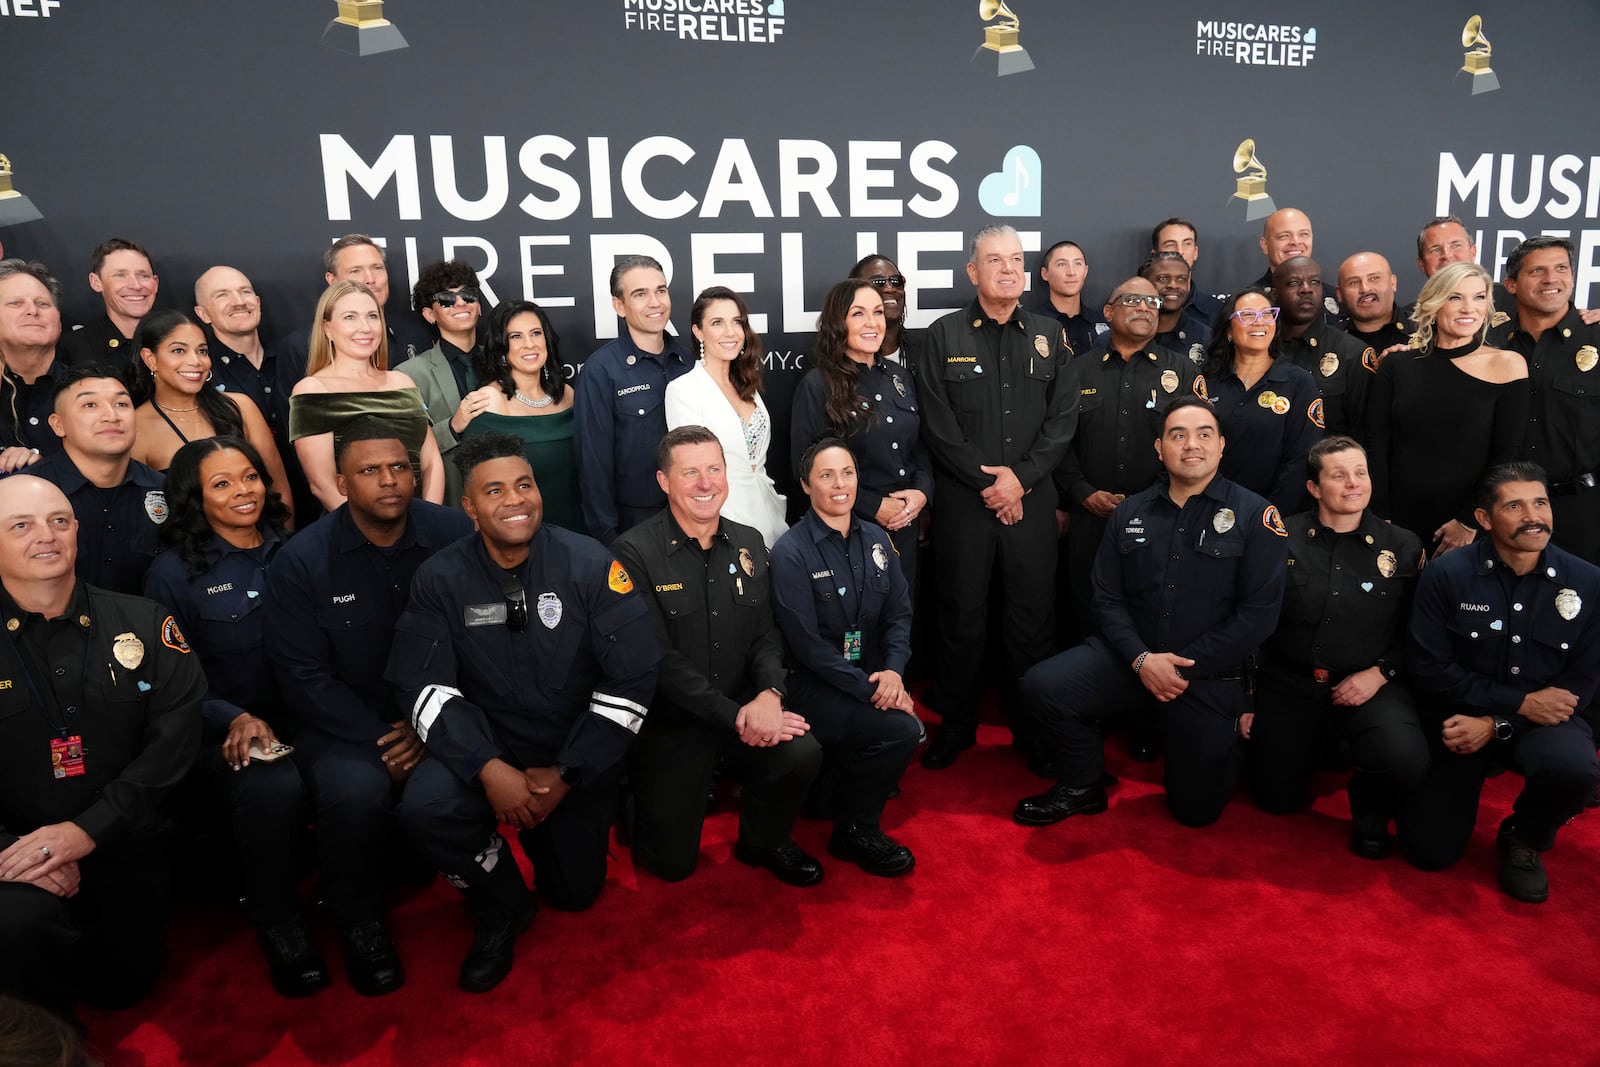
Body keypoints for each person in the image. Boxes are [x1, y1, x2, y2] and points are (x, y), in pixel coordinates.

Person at [389, 433, 662, 993]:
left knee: (575, 895)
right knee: (428, 807)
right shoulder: (439, 579)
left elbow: (634, 677)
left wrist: (566, 773)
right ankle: (501, 904)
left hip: (572, 749)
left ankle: (575, 827)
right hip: (486, 744)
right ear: (468, 506)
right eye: (494, 490)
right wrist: (489, 770)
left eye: (524, 484)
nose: (516, 499)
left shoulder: (590, 564)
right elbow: (421, 686)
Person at [265, 421, 472, 996]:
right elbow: (302, 676)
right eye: (369, 471)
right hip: (343, 723)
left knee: (469, 772)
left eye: (400, 467)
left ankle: (485, 886)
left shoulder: (452, 531)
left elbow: (478, 639)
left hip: (438, 710)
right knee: (355, 793)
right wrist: (385, 736)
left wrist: (430, 725)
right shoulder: (301, 560)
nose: (389, 481)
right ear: (340, 482)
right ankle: (358, 921)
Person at [1014, 397, 1287, 828]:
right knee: (1042, 686)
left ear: (1221, 446)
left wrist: (1181, 669)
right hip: (1131, 659)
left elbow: (1258, 615)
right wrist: (1141, 660)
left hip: (1205, 675)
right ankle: (1083, 784)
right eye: (1178, 435)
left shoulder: (1257, 517)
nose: (1191, 445)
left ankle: (1222, 742)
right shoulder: (1131, 511)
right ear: (1160, 448)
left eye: (1203, 434)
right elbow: (1106, 597)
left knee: (1195, 812)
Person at [0, 476, 203, 1021]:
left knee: (123, 986)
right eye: (21, 525)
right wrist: (20, 853)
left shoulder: (144, 620)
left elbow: (175, 742)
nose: (46, 536)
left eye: (59, 521)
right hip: (17, 856)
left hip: (124, 838)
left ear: (77, 533)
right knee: (21, 936)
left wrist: (86, 831)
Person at [142, 436, 326, 997]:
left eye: (249, 476)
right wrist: (234, 717)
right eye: (221, 484)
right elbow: (172, 683)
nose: (244, 491)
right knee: (270, 781)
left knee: (360, 763)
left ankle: (355, 894)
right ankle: (279, 921)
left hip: (307, 712)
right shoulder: (172, 575)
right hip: (219, 728)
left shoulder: (298, 548)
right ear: (194, 499)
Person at [614, 426, 823, 886]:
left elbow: (766, 633)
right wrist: (736, 717)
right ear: (664, 482)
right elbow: (658, 661)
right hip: (675, 725)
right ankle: (631, 797)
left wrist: (770, 693)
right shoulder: (634, 553)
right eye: (690, 472)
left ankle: (762, 842)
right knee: (670, 866)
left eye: (714, 469)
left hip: (742, 707)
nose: (706, 483)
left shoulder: (749, 542)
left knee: (802, 752)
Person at [913, 225, 1078, 770]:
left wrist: (1020, 480)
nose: (1007, 269)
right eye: (994, 260)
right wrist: (991, 484)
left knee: (1032, 620)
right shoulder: (942, 336)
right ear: (973, 272)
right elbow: (938, 426)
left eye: (1015, 259)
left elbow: (1062, 421)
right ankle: (956, 727)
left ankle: (1032, 729)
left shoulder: (1051, 335)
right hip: (965, 505)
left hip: (1030, 502)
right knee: (960, 618)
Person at [1402, 463, 1600, 902]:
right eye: (1515, 505)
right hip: (1459, 720)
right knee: (1429, 852)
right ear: (1485, 519)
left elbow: (1581, 685)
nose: (1534, 516)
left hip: (1540, 721)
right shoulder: (1447, 575)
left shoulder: (1588, 582)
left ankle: (1526, 835)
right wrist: (1511, 707)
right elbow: (1429, 669)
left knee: (1575, 769)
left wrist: (1499, 722)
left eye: (1541, 503)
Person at [1247, 436, 1429, 857]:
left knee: (1403, 757)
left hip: (1368, 682)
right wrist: (1247, 698)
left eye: (1360, 473)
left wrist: (1381, 673)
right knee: (1276, 801)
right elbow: (1251, 622)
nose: (1353, 484)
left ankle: (1369, 805)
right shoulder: (1280, 538)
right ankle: (1325, 746)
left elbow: (1420, 631)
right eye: (1339, 475)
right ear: (1314, 488)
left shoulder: (1403, 546)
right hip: (1290, 682)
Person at [770, 438, 921, 875]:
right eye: (826, 475)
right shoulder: (791, 553)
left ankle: (843, 803)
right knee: (901, 730)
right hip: (814, 686)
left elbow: (898, 614)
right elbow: (807, 647)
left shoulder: (876, 538)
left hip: (869, 677)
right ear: (805, 485)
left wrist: (892, 672)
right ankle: (855, 831)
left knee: (900, 726)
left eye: (848, 473)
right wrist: (876, 691)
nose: (840, 485)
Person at [1055, 276, 1200, 644]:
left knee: (1153, 613)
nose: (1143, 307)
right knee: (1084, 611)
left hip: (1162, 516)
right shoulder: (1076, 370)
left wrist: (1151, 498)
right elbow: (1057, 440)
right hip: (1089, 517)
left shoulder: (1182, 372)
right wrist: (1082, 492)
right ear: (1108, 311)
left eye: (1152, 303)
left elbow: (1194, 450)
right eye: (1133, 299)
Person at [1368, 261, 1528, 558]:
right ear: (1433, 303)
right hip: (1398, 525)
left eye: (1479, 297)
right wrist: (1381, 518)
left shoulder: (1508, 364)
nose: (1469, 308)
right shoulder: (1397, 365)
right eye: (1456, 297)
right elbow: (1376, 446)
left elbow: (1507, 457)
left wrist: (1469, 521)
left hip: (1471, 527)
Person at [790, 279, 931, 592]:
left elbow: (920, 447)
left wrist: (921, 494)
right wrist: (873, 506)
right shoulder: (817, 385)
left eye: (878, 313)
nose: (872, 323)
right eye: (859, 314)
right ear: (838, 322)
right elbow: (805, 470)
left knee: (901, 623)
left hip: (905, 526)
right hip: (850, 531)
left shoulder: (900, 377)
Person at [288, 280, 445, 512]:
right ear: (327, 328)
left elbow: (431, 462)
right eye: (350, 317)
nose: (365, 327)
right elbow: (323, 485)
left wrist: (430, 521)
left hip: (421, 527)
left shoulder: (401, 382)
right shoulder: (312, 389)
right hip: (354, 532)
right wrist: (375, 537)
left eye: (372, 316)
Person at [1490, 236, 1600, 563]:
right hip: (1502, 514)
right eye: (1538, 271)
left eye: (1561, 269)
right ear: (1511, 285)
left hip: (1585, 515)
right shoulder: (1490, 344)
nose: (1552, 279)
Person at [574, 255, 694, 545]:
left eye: (661, 290)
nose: (655, 302)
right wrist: (609, 540)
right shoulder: (601, 370)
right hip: (635, 528)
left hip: (694, 518)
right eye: (640, 294)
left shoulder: (690, 363)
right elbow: (593, 468)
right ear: (619, 305)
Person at [129, 310, 292, 518]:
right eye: (179, 351)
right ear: (150, 359)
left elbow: (279, 488)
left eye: (202, 351)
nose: (196, 361)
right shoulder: (136, 428)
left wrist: (282, 544)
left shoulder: (239, 408)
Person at [665, 286, 787, 549]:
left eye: (737, 322)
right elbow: (691, 471)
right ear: (698, 331)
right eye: (717, 323)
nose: (730, 332)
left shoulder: (748, 385)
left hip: (769, 515)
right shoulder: (683, 390)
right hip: (721, 520)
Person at [29, 366, 167, 595]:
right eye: (90, 405)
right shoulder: (26, 493)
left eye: (121, 404)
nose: (111, 416)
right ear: (58, 424)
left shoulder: (164, 490)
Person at [455, 301, 583, 532]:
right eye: (516, 336)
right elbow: (476, 490)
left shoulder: (568, 395)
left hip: (579, 532)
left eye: (536, 333)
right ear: (502, 347)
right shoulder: (488, 400)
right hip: (518, 535)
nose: (529, 344)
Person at [1198, 287, 1322, 515]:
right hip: (1207, 510)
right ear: (1228, 330)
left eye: (1267, 314)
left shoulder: (1298, 382)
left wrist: (1267, 517)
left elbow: (1299, 461)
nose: (1259, 322)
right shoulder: (1206, 381)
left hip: (1274, 515)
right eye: (1247, 315)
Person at [393, 260, 485, 510]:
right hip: (451, 501)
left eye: (468, 295)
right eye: (446, 299)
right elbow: (404, 451)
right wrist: (453, 426)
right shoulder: (408, 375)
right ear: (429, 314)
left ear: (479, 306)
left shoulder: (505, 364)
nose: (460, 303)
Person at [1269, 256, 1374, 439]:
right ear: (1275, 295)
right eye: (1294, 283)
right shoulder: (1261, 349)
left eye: (1315, 282)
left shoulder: (1352, 353)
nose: (1306, 289)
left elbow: (1366, 433)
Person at [0, 259, 73, 471]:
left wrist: (45, 468)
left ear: (58, 320)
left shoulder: (88, 389)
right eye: (15, 303)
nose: (33, 311)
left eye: (43, 303)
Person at [192, 265, 280, 430]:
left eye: (245, 292)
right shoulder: (199, 373)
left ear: (258, 302)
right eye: (222, 295)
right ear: (203, 314)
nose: (239, 302)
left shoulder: (293, 358)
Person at [59, 239, 157, 367]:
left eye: (143, 276)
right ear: (96, 282)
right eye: (120, 275)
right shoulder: (73, 348)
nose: (136, 285)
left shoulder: (179, 339)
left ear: (155, 284)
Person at [1032, 240, 1105, 356]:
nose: (1071, 272)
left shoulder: (1101, 324)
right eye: (1062, 264)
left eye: (1077, 264)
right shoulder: (1032, 324)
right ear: (1045, 274)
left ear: (1085, 271)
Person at [849, 254, 921, 366]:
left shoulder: (925, 349)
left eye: (896, 281)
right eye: (878, 282)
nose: (890, 288)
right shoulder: (828, 359)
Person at [1140, 252, 1211, 360]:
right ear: (1144, 283)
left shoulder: (1207, 339)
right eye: (1163, 279)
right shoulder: (1125, 334)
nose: (1173, 285)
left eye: (1181, 279)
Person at [1150, 217, 1222, 322]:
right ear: (1154, 255)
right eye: (1170, 244)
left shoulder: (1216, 310)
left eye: (1187, 243)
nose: (1180, 251)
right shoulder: (1142, 307)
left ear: (1195, 253)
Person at [1335, 252, 1410, 352]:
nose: (1365, 289)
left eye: (1374, 278)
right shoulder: (1327, 342)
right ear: (1340, 294)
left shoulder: (1427, 332)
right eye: (1354, 282)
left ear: (1393, 283)